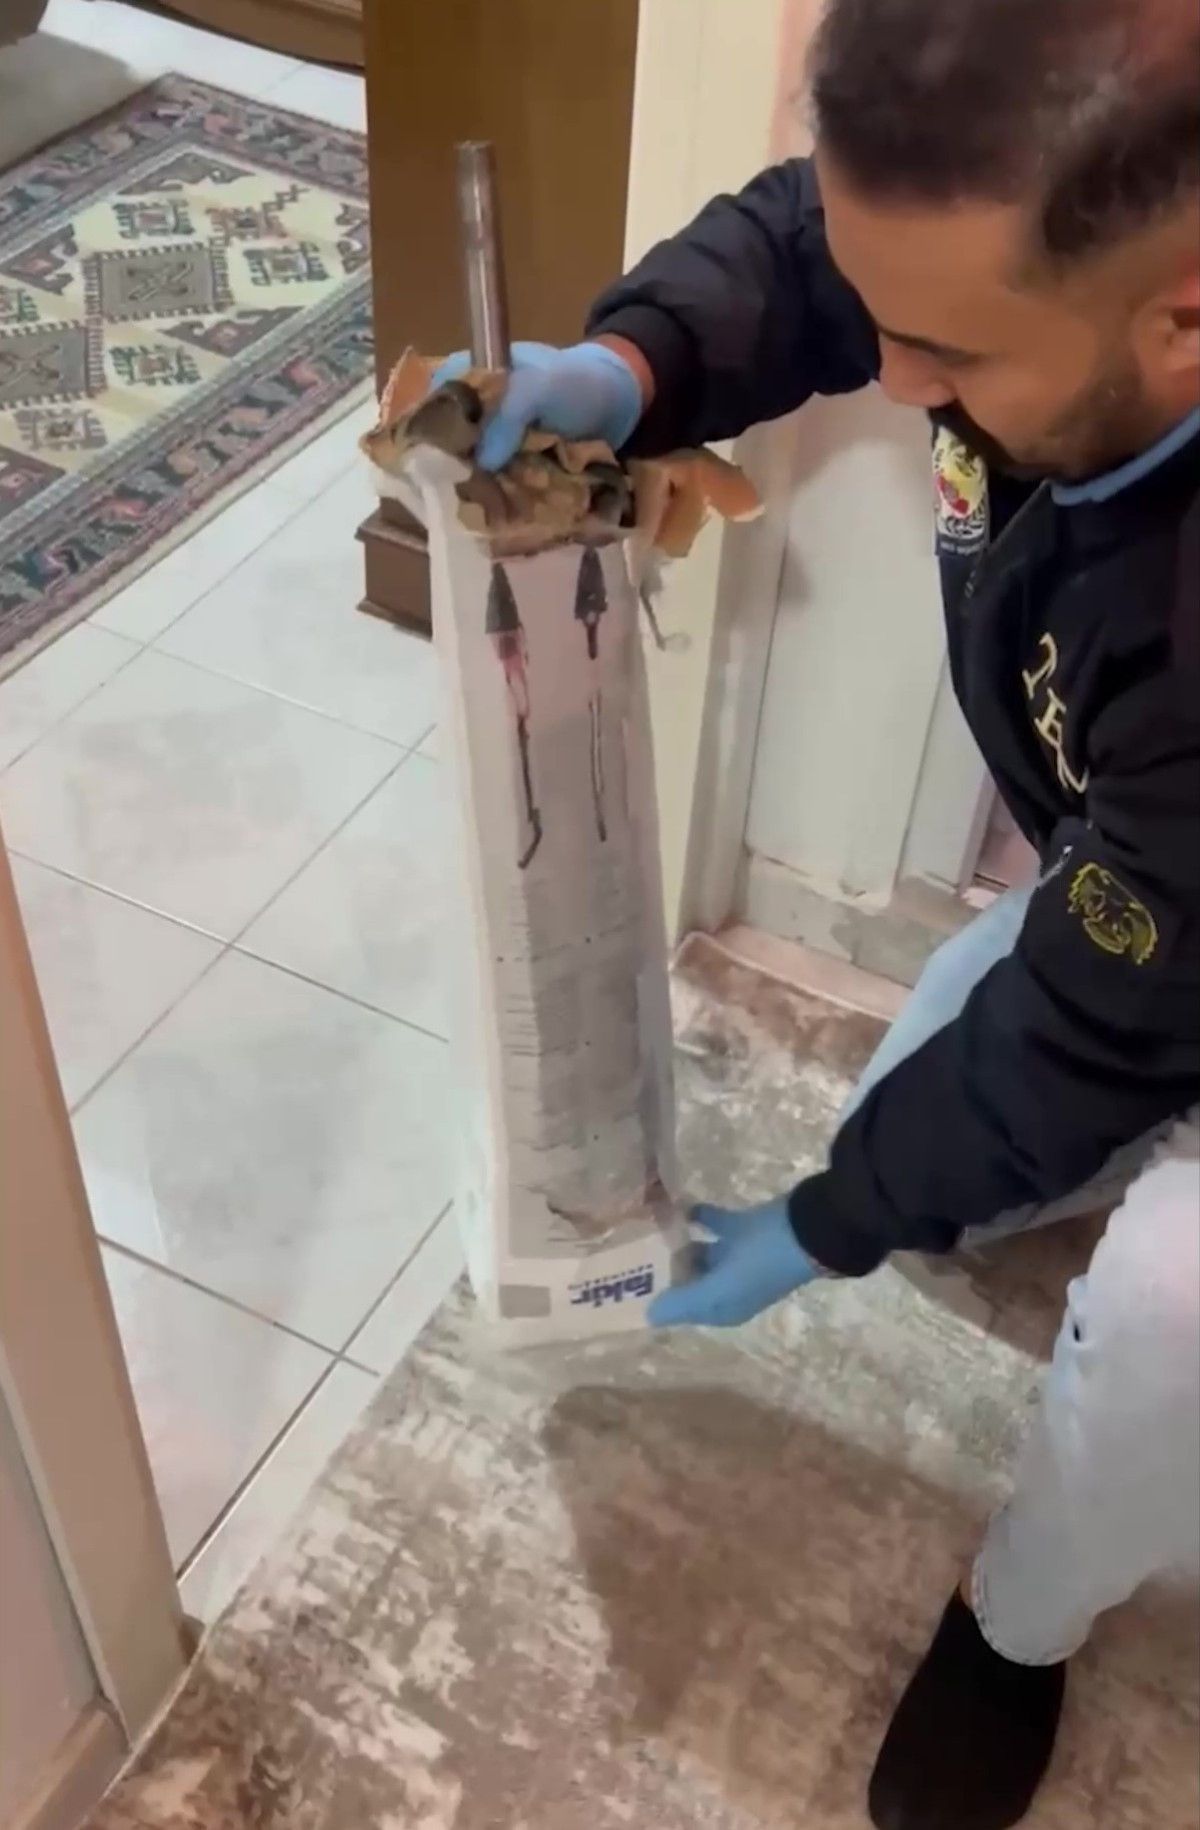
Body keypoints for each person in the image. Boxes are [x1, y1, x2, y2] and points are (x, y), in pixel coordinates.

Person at [437, 2, 1200, 1824]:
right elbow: (810, 242)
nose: (895, 373)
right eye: (886, 318)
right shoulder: (1042, 272)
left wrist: (822, 1222)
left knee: (1167, 1325)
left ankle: (1019, 1619)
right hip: (1153, 879)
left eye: (944, 350)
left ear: (1184, 317)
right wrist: (634, 361)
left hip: (1172, 910)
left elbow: (1094, 1028)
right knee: (938, 1132)